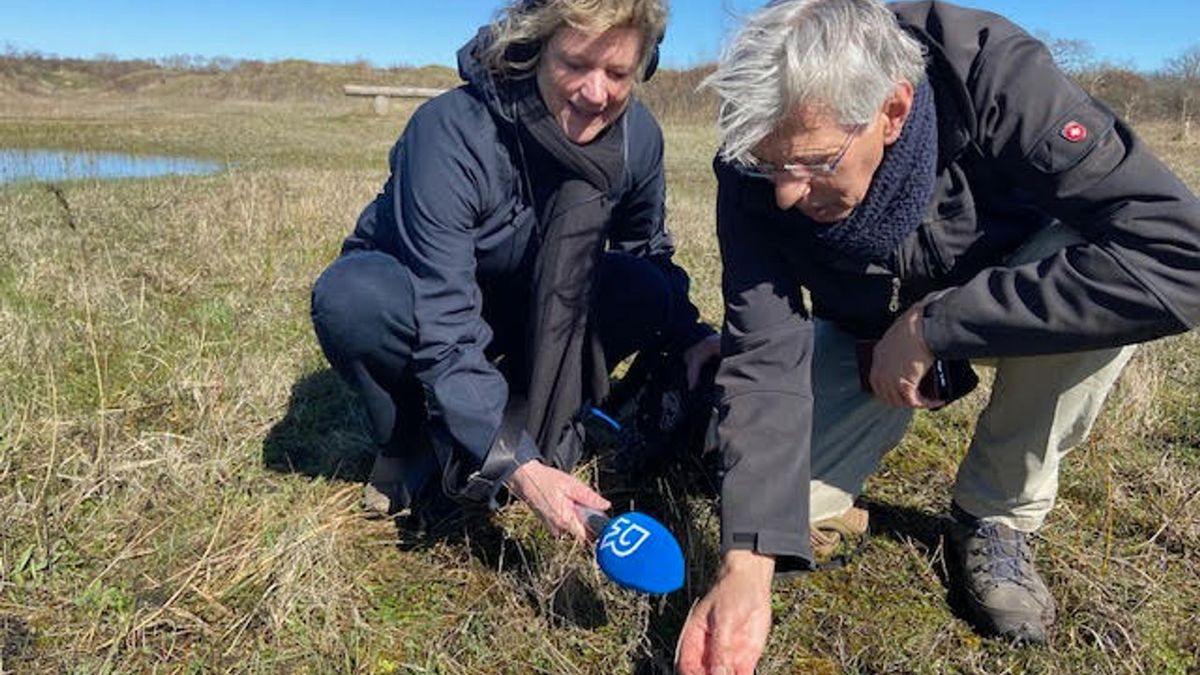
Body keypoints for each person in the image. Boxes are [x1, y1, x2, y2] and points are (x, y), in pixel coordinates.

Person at [676, 0, 1200, 671]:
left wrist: (938, 324)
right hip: (861, 327)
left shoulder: (993, 73)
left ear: (892, 112)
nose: (782, 194)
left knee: (1096, 251)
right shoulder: (754, 157)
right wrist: (745, 566)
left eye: (811, 163)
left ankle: (995, 515)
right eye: (768, 167)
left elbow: (1178, 257)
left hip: (1007, 295)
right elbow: (763, 350)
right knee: (764, 506)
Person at [310, 0, 718, 542]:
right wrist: (516, 464)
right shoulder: (452, 133)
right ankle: (409, 437)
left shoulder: (636, 140)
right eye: (574, 64)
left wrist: (699, 348)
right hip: (423, 300)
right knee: (354, 299)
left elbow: (649, 253)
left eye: (617, 73)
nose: (595, 94)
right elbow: (445, 320)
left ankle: (531, 405)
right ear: (533, 50)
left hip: (524, 302)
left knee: (641, 289)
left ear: (642, 68)